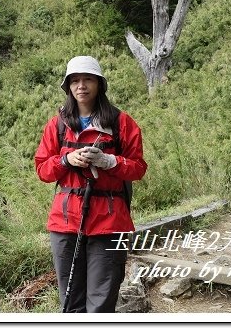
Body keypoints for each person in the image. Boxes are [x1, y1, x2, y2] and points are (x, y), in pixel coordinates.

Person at [34, 55, 147, 313]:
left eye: (87, 79)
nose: (81, 86)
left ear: (99, 84)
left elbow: (138, 168)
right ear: (68, 86)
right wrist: (67, 159)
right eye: (75, 80)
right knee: (71, 298)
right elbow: (42, 169)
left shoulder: (122, 123)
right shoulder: (58, 125)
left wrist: (109, 161)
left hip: (109, 221)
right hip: (65, 221)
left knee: (102, 300)